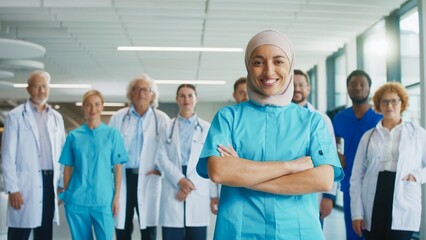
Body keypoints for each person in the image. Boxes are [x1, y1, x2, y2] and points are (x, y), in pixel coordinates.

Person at [196, 30, 344, 239]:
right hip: (239, 230)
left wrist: (243, 175)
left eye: (278, 61)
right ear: (248, 67)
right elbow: (219, 172)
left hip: (298, 231)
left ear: (290, 65)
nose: (269, 71)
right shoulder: (228, 117)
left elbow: (323, 179)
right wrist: (290, 167)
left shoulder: (312, 121)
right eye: (258, 62)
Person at [350, 82, 426, 240]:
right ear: (378, 105)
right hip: (375, 195)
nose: (389, 105)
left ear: (402, 104)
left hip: (403, 194)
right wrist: (357, 213)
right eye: (384, 101)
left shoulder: (418, 134)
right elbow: (356, 176)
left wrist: (417, 176)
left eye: (394, 101)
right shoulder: (369, 136)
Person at [1, 70, 66, 240]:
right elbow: (8, 156)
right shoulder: (15, 116)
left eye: (44, 86)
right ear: (28, 89)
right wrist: (13, 189)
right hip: (24, 184)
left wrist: (61, 183)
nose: (41, 91)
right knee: (19, 234)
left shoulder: (56, 118)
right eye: (37, 87)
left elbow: (63, 154)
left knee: (44, 233)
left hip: (49, 182)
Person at [59, 90, 127, 240]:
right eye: (88, 105)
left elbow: (117, 168)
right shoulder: (73, 136)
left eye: (97, 104)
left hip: (103, 200)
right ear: (83, 107)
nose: (93, 109)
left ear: (102, 106)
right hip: (77, 200)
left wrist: (116, 198)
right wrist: (68, 194)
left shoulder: (112, 135)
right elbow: (67, 167)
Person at [109, 74, 170, 240]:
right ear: (130, 94)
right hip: (124, 178)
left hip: (149, 177)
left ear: (153, 95)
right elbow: (110, 149)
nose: (141, 93)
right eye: (137, 89)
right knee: (123, 226)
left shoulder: (161, 119)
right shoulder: (118, 117)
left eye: (146, 90)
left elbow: (169, 150)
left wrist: (161, 170)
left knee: (148, 229)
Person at [332, 70, 382, 240]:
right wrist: (337, 154)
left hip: (376, 183)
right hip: (350, 182)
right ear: (347, 89)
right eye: (353, 84)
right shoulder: (339, 118)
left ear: (369, 89)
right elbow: (335, 142)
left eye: (362, 84)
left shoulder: (379, 118)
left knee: (375, 230)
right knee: (353, 231)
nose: (358, 88)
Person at [157, 84, 211, 240]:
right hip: (174, 183)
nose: (186, 99)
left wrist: (188, 184)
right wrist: (180, 180)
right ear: (177, 99)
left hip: (197, 184)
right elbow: (161, 157)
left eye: (190, 95)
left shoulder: (206, 128)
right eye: (182, 96)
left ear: (196, 99)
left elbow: (208, 159)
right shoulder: (166, 126)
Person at [292, 69, 338, 225]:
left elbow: (330, 160)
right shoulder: (276, 118)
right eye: (292, 85)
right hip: (283, 191)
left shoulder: (321, 119)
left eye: (301, 85)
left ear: (308, 88)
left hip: (314, 193)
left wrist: (328, 196)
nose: (297, 89)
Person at [210, 77, 248, 214]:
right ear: (234, 95)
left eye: (248, 92)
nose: (245, 96)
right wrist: (214, 194)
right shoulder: (226, 119)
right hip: (230, 189)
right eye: (241, 92)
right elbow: (217, 163)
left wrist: (237, 162)